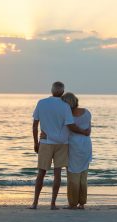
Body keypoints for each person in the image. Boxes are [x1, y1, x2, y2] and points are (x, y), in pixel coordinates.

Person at [30, 82, 90, 210]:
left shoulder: (41, 102)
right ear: (62, 92)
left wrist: (35, 142)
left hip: (45, 143)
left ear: (51, 90)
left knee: (41, 173)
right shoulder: (65, 106)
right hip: (62, 144)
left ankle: (35, 203)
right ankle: (52, 203)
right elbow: (70, 125)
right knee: (57, 174)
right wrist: (84, 131)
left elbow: (35, 125)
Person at [61, 93, 92, 210]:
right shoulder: (87, 112)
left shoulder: (68, 115)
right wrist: (84, 133)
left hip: (74, 145)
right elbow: (89, 129)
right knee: (83, 174)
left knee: (73, 174)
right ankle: (82, 203)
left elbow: (70, 128)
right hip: (86, 144)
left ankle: (72, 203)